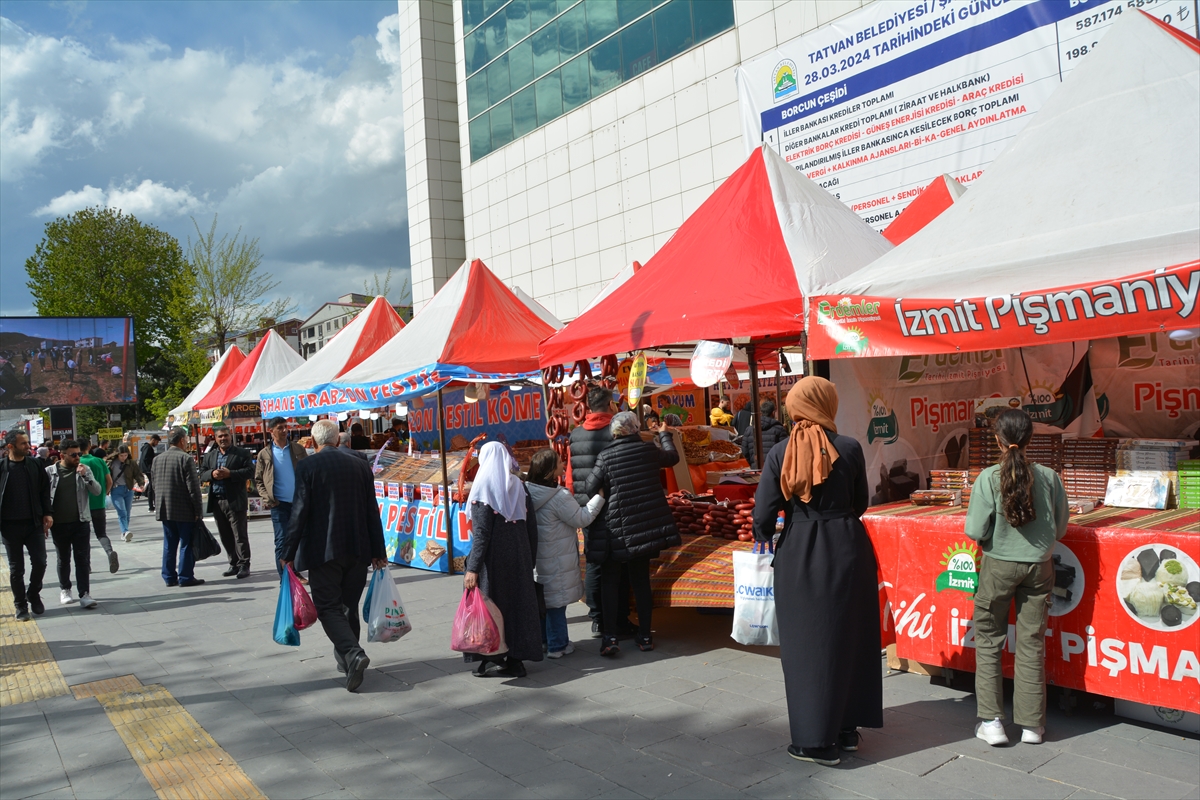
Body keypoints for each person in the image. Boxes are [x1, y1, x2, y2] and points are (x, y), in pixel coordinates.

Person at [751, 376, 882, 766]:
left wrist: (775, 530)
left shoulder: (780, 453)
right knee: (850, 637)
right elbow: (861, 501)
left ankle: (815, 742)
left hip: (801, 553)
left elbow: (763, 514)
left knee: (809, 646)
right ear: (828, 404)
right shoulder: (851, 447)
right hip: (848, 547)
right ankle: (846, 729)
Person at [967, 409, 1069, 747]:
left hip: (997, 565)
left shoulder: (988, 478)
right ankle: (1031, 726)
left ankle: (992, 721)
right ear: (1030, 439)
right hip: (1039, 567)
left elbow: (974, 530)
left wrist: (990, 539)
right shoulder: (1050, 477)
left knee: (989, 639)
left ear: (996, 439)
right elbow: (1062, 526)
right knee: (1031, 643)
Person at [281, 420, 387, 692]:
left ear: (314, 443)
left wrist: (287, 553)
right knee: (348, 606)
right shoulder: (360, 462)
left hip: (324, 550)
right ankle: (347, 659)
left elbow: (299, 512)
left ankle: (353, 653)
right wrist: (378, 551)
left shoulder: (308, 465)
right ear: (337, 440)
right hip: (358, 548)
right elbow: (370, 509)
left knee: (328, 607)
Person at [584, 412, 681, 656]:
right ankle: (646, 636)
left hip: (615, 528)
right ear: (636, 429)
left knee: (610, 582)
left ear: (614, 433)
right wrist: (663, 434)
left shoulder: (606, 456)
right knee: (640, 582)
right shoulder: (649, 451)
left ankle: (610, 637)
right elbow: (672, 457)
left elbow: (588, 487)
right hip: (643, 527)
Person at [461, 441, 542, 677]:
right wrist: (530, 559)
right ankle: (516, 659)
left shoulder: (482, 489)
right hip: (519, 556)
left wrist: (472, 568)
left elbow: (481, 534)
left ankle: (490, 657)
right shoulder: (519, 486)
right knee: (517, 607)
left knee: (490, 608)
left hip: (492, 561)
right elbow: (532, 528)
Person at [525, 448, 606, 659]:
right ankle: (558, 645)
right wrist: (599, 498)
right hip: (558, 557)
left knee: (543, 600)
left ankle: (544, 641)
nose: (563, 465)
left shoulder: (526, 492)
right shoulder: (558, 496)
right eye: (560, 462)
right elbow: (582, 518)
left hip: (538, 557)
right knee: (556, 603)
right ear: (551, 471)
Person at [568, 385, 635, 638]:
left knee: (594, 561)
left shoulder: (575, 435)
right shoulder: (616, 431)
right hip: (616, 506)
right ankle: (617, 619)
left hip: (586, 505)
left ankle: (597, 619)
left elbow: (570, 474)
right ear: (610, 405)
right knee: (618, 563)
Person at [1, 429, 52, 621]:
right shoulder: (2, 468)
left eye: (28, 442)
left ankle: (33, 593)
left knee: (40, 562)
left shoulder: (35, 465)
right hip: (9, 527)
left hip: (33, 523)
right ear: (10, 446)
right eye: (23, 443)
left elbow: (44, 490)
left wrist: (47, 513)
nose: (28, 446)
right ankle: (20, 605)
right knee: (16, 569)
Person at [46, 440, 103, 609]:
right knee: (63, 559)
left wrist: (86, 475)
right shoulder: (50, 472)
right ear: (62, 455)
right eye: (73, 455)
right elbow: (43, 497)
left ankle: (84, 594)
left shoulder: (84, 470)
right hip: (59, 524)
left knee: (82, 559)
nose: (78, 457)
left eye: (79, 453)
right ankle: (65, 589)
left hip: (81, 522)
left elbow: (97, 491)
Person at [254, 417, 308, 576]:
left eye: (286, 427)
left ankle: (295, 571)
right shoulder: (264, 454)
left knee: (299, 538)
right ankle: (284, 576)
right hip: (278, 504)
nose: (285, 430)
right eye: (280, 428)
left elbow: (307, 472)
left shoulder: (298, 449)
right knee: (281, 541)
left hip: (298, 502)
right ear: (271, 431)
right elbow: (258, 479)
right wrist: (267, 498)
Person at [200, 426, 254, 579]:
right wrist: (212, 474)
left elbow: (250, 471)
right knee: (225, 535)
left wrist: (230, 474)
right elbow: (202, 473)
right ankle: (233, 563)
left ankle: (245, 564)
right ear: (215, 439)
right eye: (220, 437)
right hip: (217, 501)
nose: (223, 439)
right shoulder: (210, 456)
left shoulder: (241, 454)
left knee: (240, 535)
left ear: (231, 437)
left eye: (226, 436)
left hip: (235, 501)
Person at [152, 428, 204, 587]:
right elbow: (193, 487)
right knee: (186, 543)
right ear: (182, 440)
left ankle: (168, 576)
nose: (187, 442)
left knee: (169, 543)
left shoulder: (157, 459)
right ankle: (185, 576)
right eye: (186, 439)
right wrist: (198, 510)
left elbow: (154, 484)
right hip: (184, 508)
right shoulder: (185, 458)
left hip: (164, 508)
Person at [78, 440, 118, 574]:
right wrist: (104, 494)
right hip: (99, 503)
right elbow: (109, 481)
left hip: (82, 505)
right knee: (101, 533)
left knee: (84, 537)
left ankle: (87, 565)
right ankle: (109, 551)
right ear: (89, 447)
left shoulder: (77, 463)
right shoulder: (99, 461)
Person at [107, 445, 145, 543]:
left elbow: (138, 474)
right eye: (121, 456)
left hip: (128, 490)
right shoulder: (110, 463)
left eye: (125, 455)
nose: (124, 458)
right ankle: (125, 531)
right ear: (117, 455)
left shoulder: (131, 463)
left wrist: (141, 484)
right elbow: (105, 476)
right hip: (116, 490)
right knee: (122, 512)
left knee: (127, 513)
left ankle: (124, 533)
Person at [741, 399, 791, 470]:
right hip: (774, 468)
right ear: (773, 413)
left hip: (756, 468)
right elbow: (784, 451)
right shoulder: (779, 429)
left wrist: (753, 463)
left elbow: (745, 451)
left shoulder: (749, 430)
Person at [139, 434, 160, 513]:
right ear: (153, 440)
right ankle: (151, 506)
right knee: (152, 488)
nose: (157, 444)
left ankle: (152, 505)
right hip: (148, 470)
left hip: (145, 470)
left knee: (151, 487)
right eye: (157, 442)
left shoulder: (146, 447)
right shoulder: (148, 448)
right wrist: (150, 468)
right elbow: (145, 459)